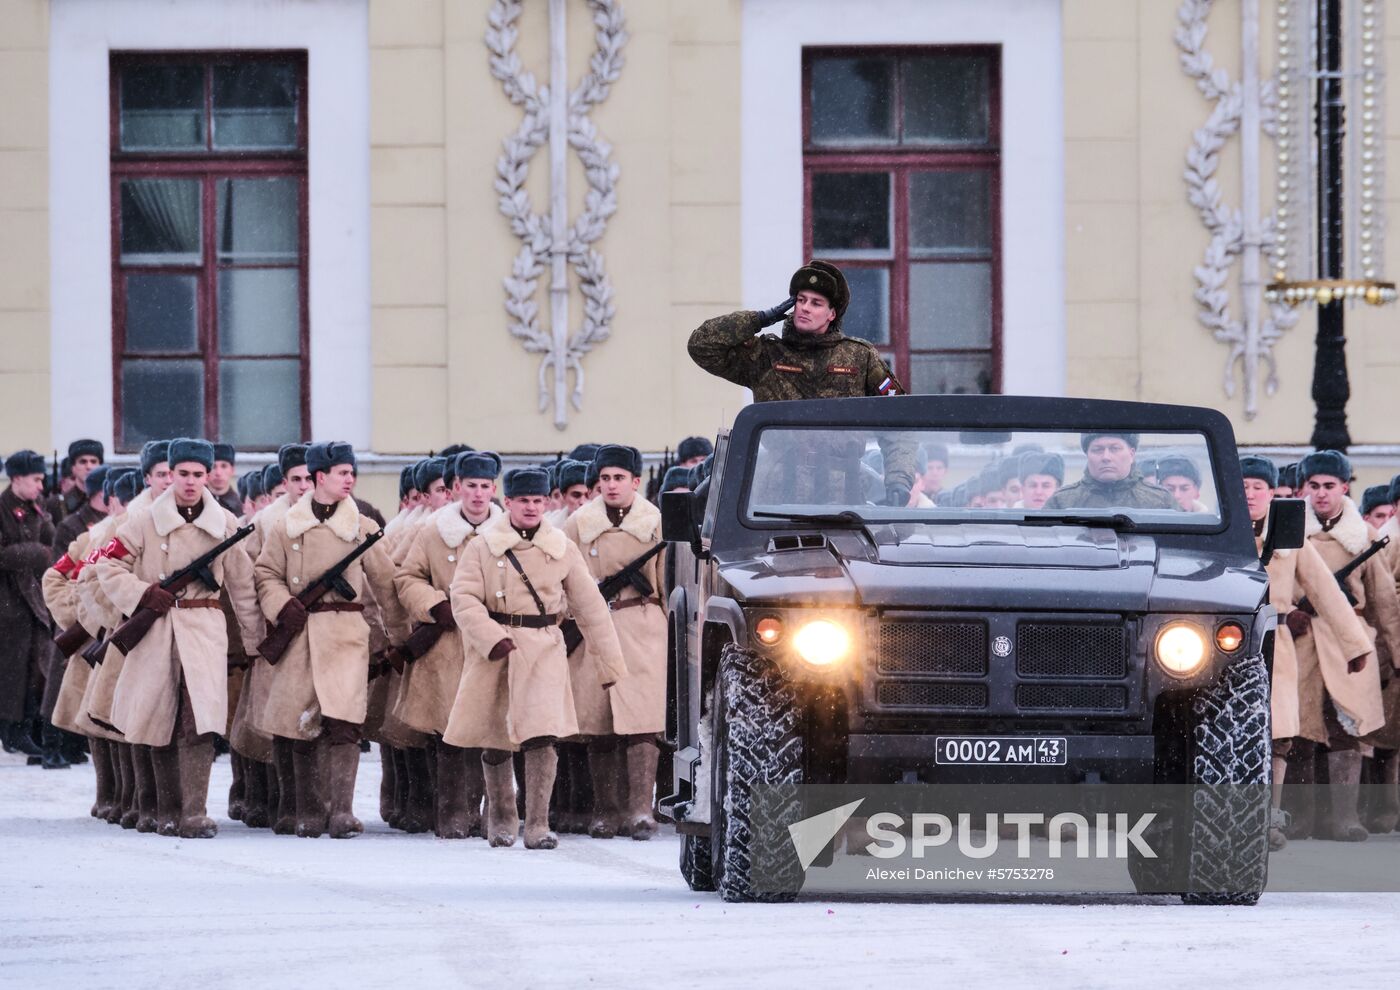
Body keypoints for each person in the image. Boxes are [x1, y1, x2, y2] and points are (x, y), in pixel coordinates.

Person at [443, 467, 627, 849]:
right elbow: (463, 598)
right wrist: (491, 638)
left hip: (544, 647)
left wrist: (609, 665)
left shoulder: (560, 546)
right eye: (523, 500)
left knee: (542, 735)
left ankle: (538, 823)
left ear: (547, 502)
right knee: (496, 737)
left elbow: (590, 607)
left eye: (537, 500)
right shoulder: (483, 545)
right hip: (497, 649)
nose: (531, 507)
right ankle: (502, 816)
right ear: (507, 502)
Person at [95, 439, 263, 838]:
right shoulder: (142, 521)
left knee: (200, 721)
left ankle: (194, 812)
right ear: (169, 474)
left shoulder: (225, 523)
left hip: (203, 627)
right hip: (155, 627)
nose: (191, 482)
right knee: (158, 719)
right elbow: (108, 565)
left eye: (198, 474)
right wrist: (143, 594)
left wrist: (256, 641)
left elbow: (241, 588)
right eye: (183, 474)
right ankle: (163, 810)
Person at [254, 441, 408, 839]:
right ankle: (307, 809)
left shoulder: (362, 527)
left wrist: (400, 637)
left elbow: (386, 586)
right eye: (342, 473)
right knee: (301, 721)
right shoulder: (287, 525)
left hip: (345, 635)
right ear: (320, 477)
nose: (350, 480)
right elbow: (266, 574)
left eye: (352, 473)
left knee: (345, 723)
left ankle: (341, 811)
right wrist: (281, 605)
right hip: (299, 632)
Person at [688, 260, 916, 504]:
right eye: (800, 300)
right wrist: (760, 319)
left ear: (832, 314)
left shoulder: (860, 358)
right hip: (775, 495)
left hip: (840, 497)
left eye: (816, 303)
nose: (805, 308)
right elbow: (702, 346)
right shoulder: (766, 355)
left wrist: (899, 481)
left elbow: (899, 421)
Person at [1240, 455, 1370, 850]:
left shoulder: (1290, 537)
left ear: (1271, 492)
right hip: (1230, 641)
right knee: (1236, 733)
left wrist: (1355, 644)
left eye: (1258, 487)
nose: (1249, 494)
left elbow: (1324, 591)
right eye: (1242, 486)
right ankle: (1235, 815)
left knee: (1278, 736)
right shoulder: (1224, 534)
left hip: (1277, 645)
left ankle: (1270, 818)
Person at [393, 450, 503, 838]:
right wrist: (433, 605)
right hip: (445, 642)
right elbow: (407, 577)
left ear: (495, 489)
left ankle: (493, 813)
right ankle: (453, 814)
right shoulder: (432, 531)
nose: (477, 494)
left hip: (491, 641)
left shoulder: (508, 533)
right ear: (456, 488)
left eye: (484, 486)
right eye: (469, 486)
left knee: (491, 730)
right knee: (448, 732)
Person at [563, 446, 668, 840]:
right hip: (594, 625)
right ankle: (605, 811)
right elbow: (562, 574)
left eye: (619, 478)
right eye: (605, 478)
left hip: (642, 624)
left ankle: (640, 810)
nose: (611, 485)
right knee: (600, 724)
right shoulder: (578, 524)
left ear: (635, 482)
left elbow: (667, 579)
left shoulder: (654, 522)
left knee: (643, 724)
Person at [1295, 449, 1400, 841]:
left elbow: (1384, 603)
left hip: (1348, 641)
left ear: (1344, 488)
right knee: (1301, 728)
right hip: (1301, 640)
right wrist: (1288, 611)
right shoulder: (1290, 530)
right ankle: (1301, 817)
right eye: (1314, 486)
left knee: (1348, 728)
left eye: (1329, 486)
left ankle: (1344, 818)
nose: (1322, 494)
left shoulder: (1367, 538)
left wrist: (1395, 653)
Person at [0, 450, 57, 763]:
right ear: (17, 478)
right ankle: (11, 728)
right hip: (7, 600)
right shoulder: (2, 508)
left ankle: (27, 725)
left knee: (36, 666)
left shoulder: (38, 506)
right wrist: (35, 551)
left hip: (35, 598)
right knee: (12, 668)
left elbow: (53, 540)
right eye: (36, 479)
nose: (40, 485)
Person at [1043, 433, 1177, 511]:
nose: (1106, 457)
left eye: (1115, 449)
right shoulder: (1062, 502)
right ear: (1087, 455)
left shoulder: (1160, 501)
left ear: (1131, 454)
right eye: (1097, 450)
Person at [46, 439, 104, 524]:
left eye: (93, 461)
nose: (89, 467)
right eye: (83, 462)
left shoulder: (110, 501)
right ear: (73, 467)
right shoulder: (57, 504)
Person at [209, 443, 241, 516]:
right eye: (213, 466)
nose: (218, 473)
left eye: (224, 466)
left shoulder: (242, 507)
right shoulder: (195, 503)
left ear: (232, 470)